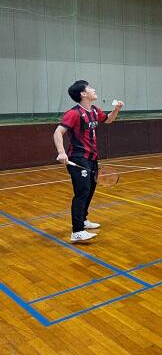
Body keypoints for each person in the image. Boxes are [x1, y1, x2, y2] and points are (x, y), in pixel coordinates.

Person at [53, 80, 124, 242]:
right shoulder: (74, 113)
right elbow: (58, 132)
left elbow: (108, 120)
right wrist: (61, 152)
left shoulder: (94, 111)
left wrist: (116, 110)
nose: (94, 90)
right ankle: (77, 231)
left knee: (90, 189)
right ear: (83, 94)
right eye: (90, 88)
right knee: (82, 192)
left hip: (92, 158)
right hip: (78, 158)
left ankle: (83, 220)